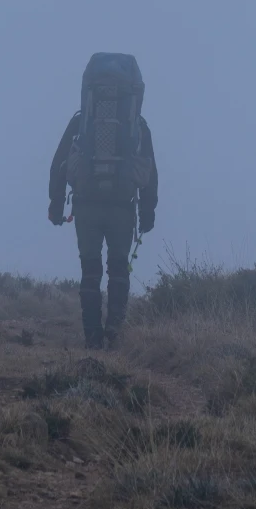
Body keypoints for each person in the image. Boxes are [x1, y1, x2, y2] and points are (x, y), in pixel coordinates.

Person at [48, 52, 158, 348]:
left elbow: (58, 163)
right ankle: (115, 332)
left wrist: (56, 204)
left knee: (90, 269)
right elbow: (150, 170)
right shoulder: (137, 125)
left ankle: (93, 336)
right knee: (119, 268)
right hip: (123, 207)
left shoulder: (82, 123)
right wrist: (148, 213)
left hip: (86, 206)